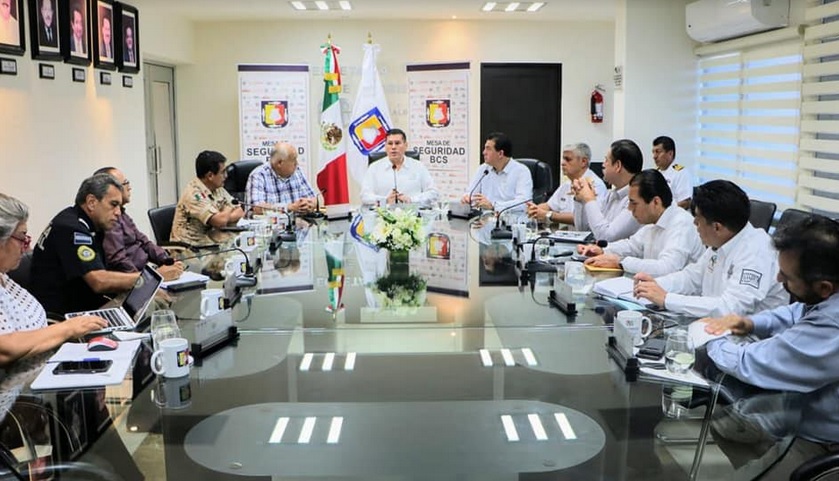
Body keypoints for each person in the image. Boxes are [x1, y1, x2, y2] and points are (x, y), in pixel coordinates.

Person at [700, 215, 839, 476]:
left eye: (787, 277)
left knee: (734, 424)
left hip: (822, 442)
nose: (777, 278)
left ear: (824, 287)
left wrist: (709, 336)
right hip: (805, 406)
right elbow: (797, 312)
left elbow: (751, 363)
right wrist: (750, 323)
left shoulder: (833, 327)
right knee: (725, 426)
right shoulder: (829, 295)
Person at [633, 180, 788, 318]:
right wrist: (656, 285)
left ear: (717, 227)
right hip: (715, 327)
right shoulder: (723, 240)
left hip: (751, 337)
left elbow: (730, 308)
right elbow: (692, 277)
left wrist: (667, 299)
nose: (694, 223)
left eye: (698, 219)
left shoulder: (756, 251)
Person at [0, 194, 106, 367]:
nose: (27, 247)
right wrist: (67, 328)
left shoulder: (3, 275)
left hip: (50, 362)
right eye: (22, 238)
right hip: (26, 381)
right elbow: (5, 349)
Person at [30, 175, 140, 316]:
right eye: (113, 205)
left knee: (146, 302)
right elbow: (99, 281)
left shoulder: (84, 221)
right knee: (149, 305)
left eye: (120, 206)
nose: (118, 213)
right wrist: (143, 279)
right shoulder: (71, 228)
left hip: (83, 304)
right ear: (91, 202)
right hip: (64, 316)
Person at [578, 169, 703, 276]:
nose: (630, 209)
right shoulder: (654, 220)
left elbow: (667, 268)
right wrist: (603, 250)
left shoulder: (681, 224)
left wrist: (620, 262)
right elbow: (632, 246)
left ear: (656, 202)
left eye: (634, 203)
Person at [93, 167, 184, 280]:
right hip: (136, 280)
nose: (129, 187)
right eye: (125, 183)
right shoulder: (109, 220)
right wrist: (151, 277)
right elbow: (118, 261)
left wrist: (167, 260)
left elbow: (144, 242)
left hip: (147, 273)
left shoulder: (122, 214)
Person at [572, 139, 643, 242]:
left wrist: (589, 198)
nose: (603, 164)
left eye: (606, 160)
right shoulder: (611, 194)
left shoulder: (637, 199)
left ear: (618, 166)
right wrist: (581, 201)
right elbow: (584, 230)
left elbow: (606, 238)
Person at [171, 150, 244, 246]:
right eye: (222, 172)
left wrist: (224, 217)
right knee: (237, 253)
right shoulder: (194, 195)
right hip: (190, 247)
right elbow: (220, 222)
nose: (226, 176)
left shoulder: (217, 188)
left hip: (210, 240)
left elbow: (240, 211)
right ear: (210, 176)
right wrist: (228, 208)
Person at [526, 142, 607, 225]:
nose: (562, 163)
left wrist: (549, 215)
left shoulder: (595, 185)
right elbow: (549, 206)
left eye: (568, 159)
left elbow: (587, 219)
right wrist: (535, 209)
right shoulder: (566, 184)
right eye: (563, 159)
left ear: (583, 162)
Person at [360, 129, 438, 207]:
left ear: (406, 145)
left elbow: (433, 193)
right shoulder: (374, 168)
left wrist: (411, 200)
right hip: (383, 213)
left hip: (413, 213)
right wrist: (385, 200)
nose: (393, 147)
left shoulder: (418, 166)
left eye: (397, 143)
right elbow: (365, 196)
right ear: (385, 146)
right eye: (390, 143)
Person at [460, 132, 532, 212]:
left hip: (512, 218)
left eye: (488, 149)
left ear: (500, 153)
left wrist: (494, 206)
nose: (484, 152)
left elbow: (524, 204)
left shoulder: (521, 171)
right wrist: (468, 198)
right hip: (486, 218)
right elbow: (471, 193)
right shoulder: (483, 169)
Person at [245, 142, 317, 215]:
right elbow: (257, 208)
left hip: (299, 221)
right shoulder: (259, 175)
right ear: (279, 163)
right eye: (293, 160)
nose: (296, 163)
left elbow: (313, 198)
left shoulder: (297, 171)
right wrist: (289, 207)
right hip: (270, 221)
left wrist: (310, 204)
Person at [653, 136, 693, 209]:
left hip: (674, 214)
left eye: (658, 152)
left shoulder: (681, 173)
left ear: (670, 153)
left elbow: (685, 202)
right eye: (653, 152)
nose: (654, 156)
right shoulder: (655, 173)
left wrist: (665, 212)